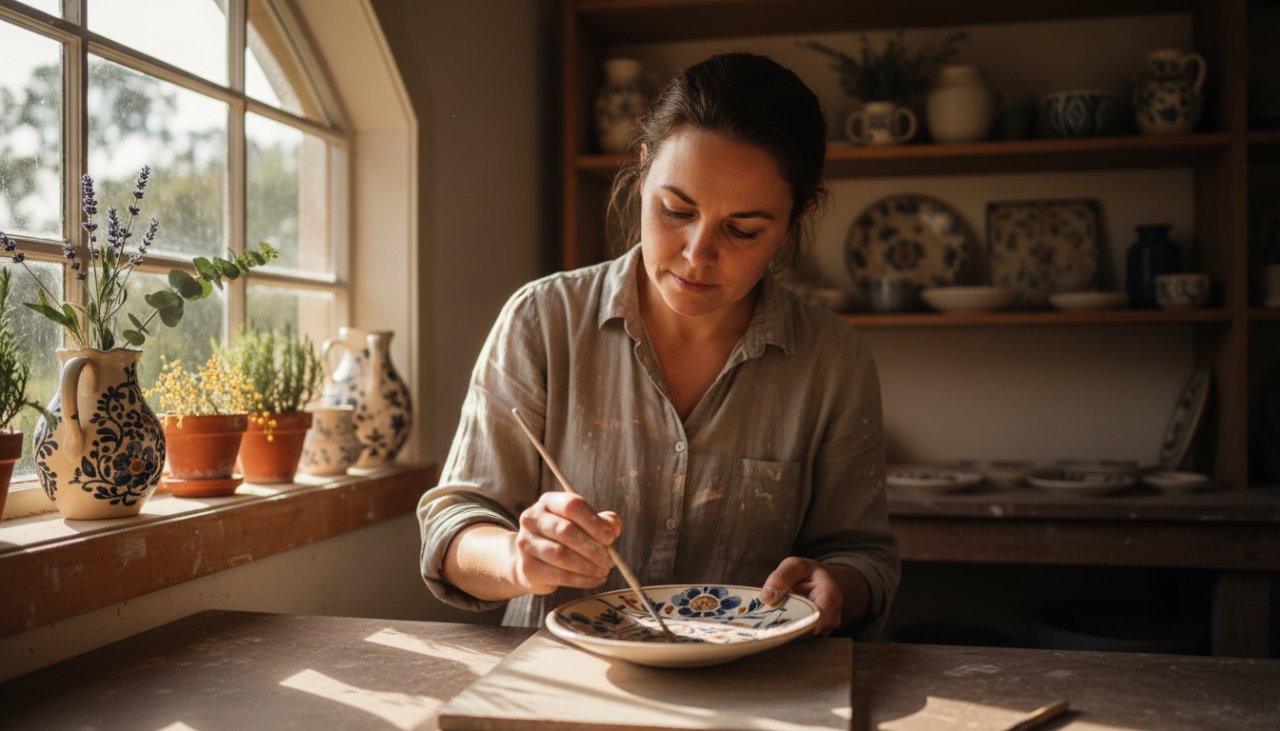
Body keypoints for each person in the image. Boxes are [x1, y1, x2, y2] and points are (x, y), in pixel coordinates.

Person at [418, 52, 899, 637]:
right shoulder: (542, 321)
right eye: (676, 210)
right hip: (564, 685)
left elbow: (864, 556)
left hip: (753, 689)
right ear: (643, 172)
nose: (698, 254)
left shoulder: (832, 360)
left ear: (796, 217)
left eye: (743, 230)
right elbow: (454, 527)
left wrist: (837, 585)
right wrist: (517, 558)